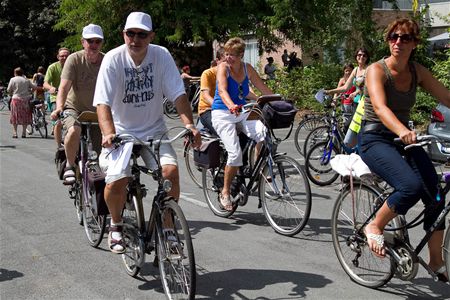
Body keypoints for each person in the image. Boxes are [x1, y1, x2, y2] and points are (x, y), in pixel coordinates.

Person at [93, 12, 201, 254]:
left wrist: (190, 125)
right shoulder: (112, 59)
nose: (135, 39)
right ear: (124, 34)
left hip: (154, 130)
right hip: (122, 132)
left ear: (151, 36)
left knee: (171, 173)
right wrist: (108, 133)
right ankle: (116, 225)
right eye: (130, 33)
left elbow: (178, 95)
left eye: (142, 34)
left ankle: (169, 229)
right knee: (117, 180)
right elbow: (103, 103)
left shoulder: (161, 56)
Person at [359, 18, 450, 282]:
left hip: (404, 140)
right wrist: (401, 130)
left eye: (405, 38)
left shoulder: (417, 71)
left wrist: (404, 134)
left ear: (415, 44)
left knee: (434, 195)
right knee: (409, 186)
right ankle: (375, 224)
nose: (398, 42)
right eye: (393, 37)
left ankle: (435, 260)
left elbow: (446, 97)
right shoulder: (377, 70)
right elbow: (380, 108)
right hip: (375, 138)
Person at [211, 37, 273, 211]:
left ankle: (256, 169)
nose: (228, 58)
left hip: (242, 112)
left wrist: (279, 101)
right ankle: (225, 192)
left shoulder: (248, 68)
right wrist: (231, 105)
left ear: (241, 56)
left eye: (232, 55)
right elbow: (222, 90)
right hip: (223, 113)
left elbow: (263, 90)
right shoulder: (223, 68)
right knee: (235, 154)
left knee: (263, 133)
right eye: (226, 54)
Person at [50, 24, 105, 185]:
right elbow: (64, 87)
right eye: (90, 41)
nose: (94, 45)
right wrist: (59, 107)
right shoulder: (74, 59)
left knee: (100, 152)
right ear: (83, 42)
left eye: (97, 41)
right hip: (74, 107)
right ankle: (69, 164)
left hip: (98, 110)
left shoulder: (107, 60)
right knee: (74, 130)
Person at [44, 47, 70, 149]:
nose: (64, 57)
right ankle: (59, 146)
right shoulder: (53, 67)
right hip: (57, 97)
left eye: (66, 55)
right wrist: (51, 88)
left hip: (72, 98)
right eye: (62, 56)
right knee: (58, 122)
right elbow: (45, 83)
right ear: (58, 57)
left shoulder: (74, 66)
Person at [198, 46, 226, 136]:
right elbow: (206, 96)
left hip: (226, 110)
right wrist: (219, 106)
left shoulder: (231, 74)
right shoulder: (208, 74)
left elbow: (245, 89)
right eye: (224, 62)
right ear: (217, 61)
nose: (228, 65)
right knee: (225, 133)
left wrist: (258, 98)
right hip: (207, 110)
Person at [7, 67, 38, 138]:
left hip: (16, 99)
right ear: (22, 73)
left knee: (15, 115)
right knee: (25, 115)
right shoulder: (26, 80)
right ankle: (24, 133)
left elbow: (9, 90)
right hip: (25, 99)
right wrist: (30, 92)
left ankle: (15, 133)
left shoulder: (13, 79)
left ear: (15, 73)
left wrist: (12, 93)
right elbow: (34, 87)